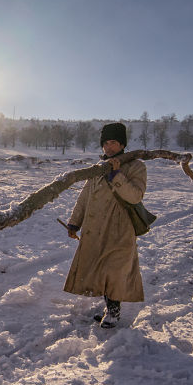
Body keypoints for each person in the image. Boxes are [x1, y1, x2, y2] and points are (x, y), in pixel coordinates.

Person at [63, 122, 146, 328]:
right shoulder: (97, 169)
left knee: (114, 269)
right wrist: (74, 223)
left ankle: (113, 311)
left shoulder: (136, 166)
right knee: (100, 268)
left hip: (120, 228)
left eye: (114, 142)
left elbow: (135, 196)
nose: (109, 147)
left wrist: (116, 175)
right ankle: (109, 307)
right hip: (96, 228)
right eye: (106, 143)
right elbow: (85, 197)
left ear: (122, 144)